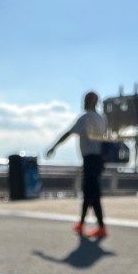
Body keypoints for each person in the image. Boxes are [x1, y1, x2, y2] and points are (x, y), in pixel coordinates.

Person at [47, 91, 108, 238]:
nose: (83, 101)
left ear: (90, 102)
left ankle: (100, 227)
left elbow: (68, 133)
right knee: (89, 194)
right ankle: (81, 224)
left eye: (86, 99)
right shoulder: (102, 118)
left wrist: (54, 146)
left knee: (92, 193)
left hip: (90, 159)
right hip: (99, 159)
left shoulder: (85, 118)